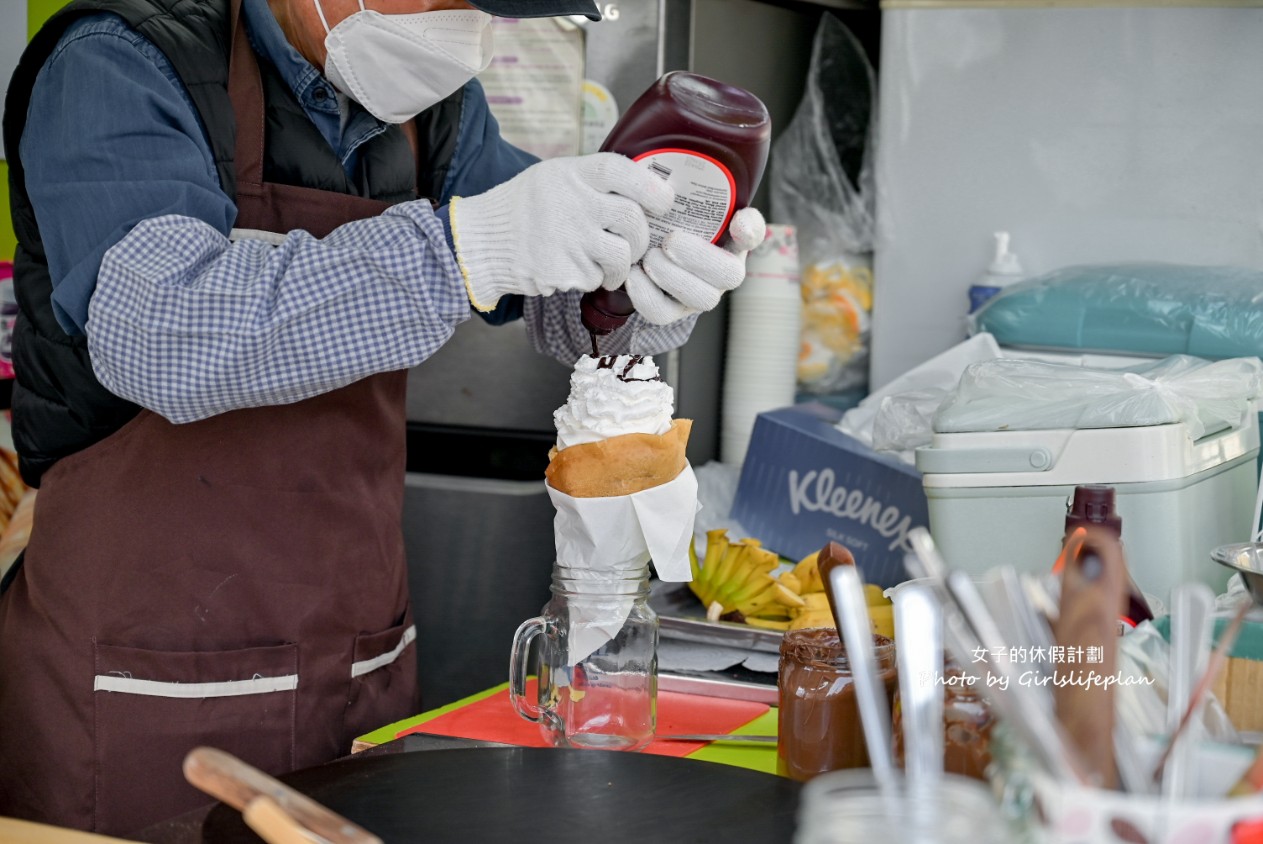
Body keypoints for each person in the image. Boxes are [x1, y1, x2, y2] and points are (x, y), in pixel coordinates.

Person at [0, 0, 766, 834]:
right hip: (142, 686)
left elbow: (548, 289)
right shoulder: (119, 59)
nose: (464, 24)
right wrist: (461, 250)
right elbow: (159, 335)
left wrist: (639, 279)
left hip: (355, 667)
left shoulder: (426, 106)